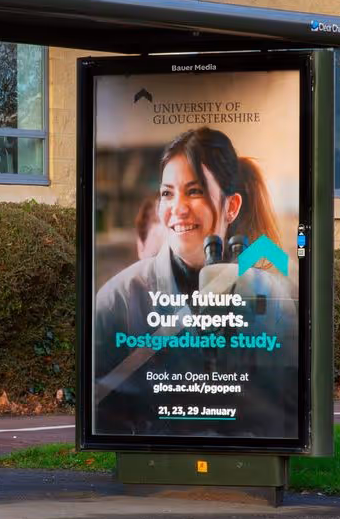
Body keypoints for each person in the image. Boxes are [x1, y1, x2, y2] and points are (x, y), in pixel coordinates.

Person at [94, 127, 297, 438]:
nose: (177, 208)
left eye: (195, 190)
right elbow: (105, 413)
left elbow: (283, 410)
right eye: (167, 193)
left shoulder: (274, 298)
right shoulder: (116, 300)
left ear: (232, 207)